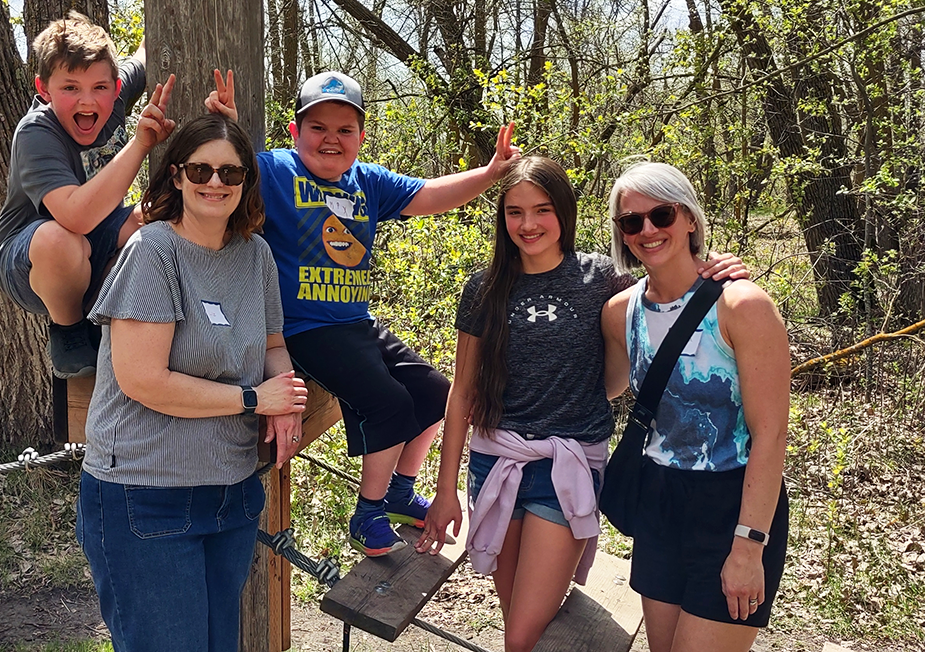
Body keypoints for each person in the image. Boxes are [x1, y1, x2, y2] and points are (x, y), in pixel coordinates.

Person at [415, 157, 748, 652]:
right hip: (496, 461)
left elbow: (666, 278)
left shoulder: (602, 279)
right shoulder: (484, 289)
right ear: (502, 218)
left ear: (564, 213)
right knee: (516, 622)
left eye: (542, 210)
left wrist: (715, 262)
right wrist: (444, 491)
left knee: (521, 635)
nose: (528, 224)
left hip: (566, 467)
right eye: (514, 212)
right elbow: (462, 392)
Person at [204, 69, 524, 556]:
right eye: (318, 127)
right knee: (389, 405)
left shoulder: (368, 182)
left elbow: (431, 196)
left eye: (344, 129)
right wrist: (228, 126)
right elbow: (230, 169)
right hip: (304, 329)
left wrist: (490, 173)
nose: (331, 139)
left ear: (360, 137)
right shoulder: (274, 171)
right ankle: (367, 513)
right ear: (295, 132)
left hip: (357, 322)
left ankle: (398, 493)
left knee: (436, 394)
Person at [75, 114, 309, 652]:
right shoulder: (154, 252)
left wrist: (287, 398)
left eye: (231, 173)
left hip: (231, 489)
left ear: (247, 182)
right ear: (177, 176)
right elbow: (142, 380)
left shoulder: (257, 257)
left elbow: (274, 347)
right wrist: (254, 399)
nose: (216, 182)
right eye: (200, 169)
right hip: (144, 492)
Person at [600, 161, 789, 652]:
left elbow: (770, 436)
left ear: (689, 219)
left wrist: (749, 547)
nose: (648, 230)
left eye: (661, 214)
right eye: (631, 221)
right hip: (659, 500)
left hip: (732, 505)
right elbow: (602, 389)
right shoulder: (621, 313)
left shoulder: (741, 306)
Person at [0, 12, 177, 378]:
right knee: (59, 238)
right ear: (44, 89)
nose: (87, 101)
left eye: (100, 88)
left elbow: (145, 54)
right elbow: (75, 216)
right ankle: (69, 329)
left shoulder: (117, 91)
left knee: (157, 216)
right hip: (30, 260)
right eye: (70, 88)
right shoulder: (35, 133)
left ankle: (113, 319)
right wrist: (141, 143)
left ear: (115, 87)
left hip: (93, 242)